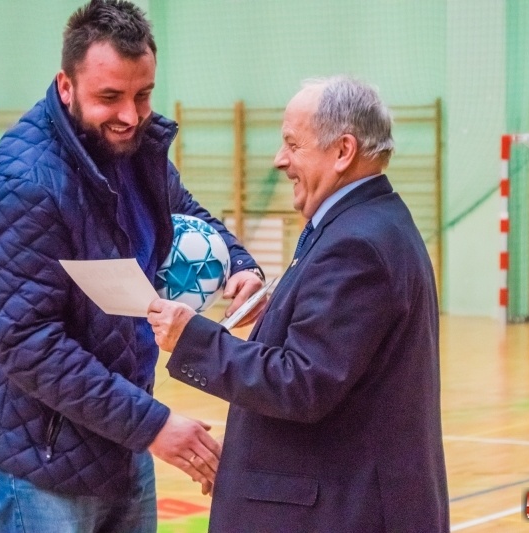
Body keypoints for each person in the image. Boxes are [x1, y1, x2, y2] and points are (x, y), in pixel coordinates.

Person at [0, 1, 265, 531]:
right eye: (110, 97)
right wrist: (154, 426)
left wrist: (238, 262)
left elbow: (185, 208)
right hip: (39, 457)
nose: (130, 115)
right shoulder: (24, 184)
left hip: (119, 436)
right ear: (66, 85)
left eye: (142, 94)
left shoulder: (134, 147)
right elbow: (27, 344)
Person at [148, 76, 450, 532]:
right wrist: (278, 317)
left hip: (339, 513)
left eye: (292, 144)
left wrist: (191, 338)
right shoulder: (365, 223)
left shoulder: (358, 243)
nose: (280, 159)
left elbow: (302, 383)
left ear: (343, 151)